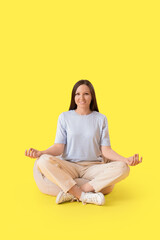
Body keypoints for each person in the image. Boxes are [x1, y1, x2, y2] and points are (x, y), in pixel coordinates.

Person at [25, 80, 142, 206]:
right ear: (73, 97)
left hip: (93, 167)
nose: (81, 98)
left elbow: (106, 151)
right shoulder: (64, 117)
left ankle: (76, 193)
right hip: (69, 165)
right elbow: (59, 148)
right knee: (42, 161)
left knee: (123, 168)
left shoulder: (100, 119)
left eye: (86, 94)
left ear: (92, 96)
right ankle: (84, 196)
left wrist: (126, 160)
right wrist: (41, 152)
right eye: (77, 94)